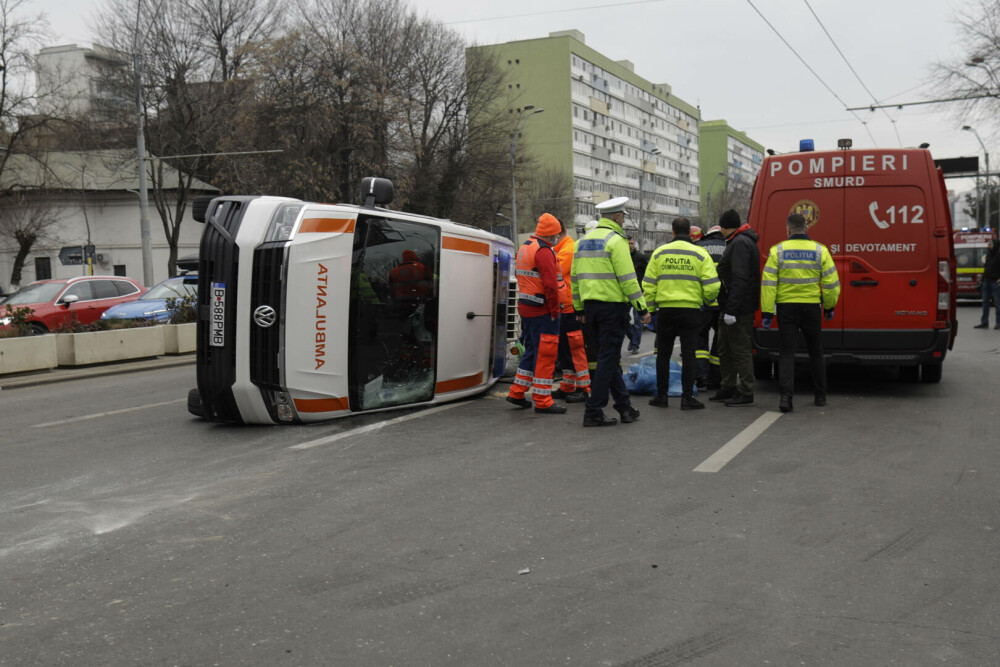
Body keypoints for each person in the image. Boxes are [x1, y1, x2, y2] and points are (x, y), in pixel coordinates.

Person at [571, 196, 651, 427]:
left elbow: (575, 280)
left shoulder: (582, 242)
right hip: (612, 309)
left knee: (609, 358)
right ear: (616, 217)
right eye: (623, 216)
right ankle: (593, 411)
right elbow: (628, 280)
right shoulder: (616, 241)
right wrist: (642, 307)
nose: (624, 220)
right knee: (608, 360)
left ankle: (624, 407)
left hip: (590, 309)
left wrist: (579, 308)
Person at [760, 213, 841, 412]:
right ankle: (820, 396)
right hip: (811, 307)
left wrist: (768, 312)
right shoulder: (820, 251)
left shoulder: (777, 251)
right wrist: (829, 306)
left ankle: (786, 399)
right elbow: (831, 283)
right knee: (816, 351)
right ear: (806, 228)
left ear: (787, 229)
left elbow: (768, 284)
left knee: (787, 353)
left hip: (786, 308)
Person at [642, 217, 720, 409]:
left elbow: (649, 285)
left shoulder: (659, 253)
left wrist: (650, 310)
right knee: (689, 354)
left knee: (663, 354)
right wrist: (707, 300)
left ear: (673, 232)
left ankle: (661, 397)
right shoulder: (700, 254)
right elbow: (712, 285)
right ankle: (687, 398)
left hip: (666, 311)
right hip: (691, 311)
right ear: (691, 234)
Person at [506, 213, 567, 414]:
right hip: (542, 310)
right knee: (546, 354)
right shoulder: (544, 251)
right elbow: (550, 284)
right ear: (552, 234)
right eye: (556, 234)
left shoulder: (526, 247)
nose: (557, 238)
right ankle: (543, 400)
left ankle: (517, 392)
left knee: (531, 351)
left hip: (527, 307)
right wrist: (553, 309)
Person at [710, 209, 760, 407]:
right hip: (732, 305)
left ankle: (746, 390)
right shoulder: (738, 241)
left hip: (738, 308)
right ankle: (728, 386)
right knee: (725, 348)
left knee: (739, 349)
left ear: (723, 227)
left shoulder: (739, 243)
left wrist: (732, 309)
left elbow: (740, 279)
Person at [552, 217, 590, 402]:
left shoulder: (568, 249)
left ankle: (584, 388)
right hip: (565, 308)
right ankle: (568, 386)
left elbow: (553, 271)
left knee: (575, 350)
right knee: (565, 351)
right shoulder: (561, 248)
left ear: (561, 233)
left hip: (570, 308)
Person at [695, 224, 727, 390]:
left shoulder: (698, 247)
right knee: (720, 342)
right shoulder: (729, 246)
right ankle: (717, 378)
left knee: (700, 339)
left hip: (703, 303)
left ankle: (701, 377)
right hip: (723, 304)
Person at [627, 237, 649, 354]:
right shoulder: (622, 257)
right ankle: (632, 338)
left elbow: (648, 274)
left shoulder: (641, 258)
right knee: (624, 320)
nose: (630, 245)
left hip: (638, 293)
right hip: (625, 294)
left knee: (637, 320)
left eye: (632, 243)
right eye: (628, 243)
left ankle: (635, 345)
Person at [974, 236, 1000, 329]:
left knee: (998, 304)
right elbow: (986, 267)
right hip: (986, 281)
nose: (988, 246)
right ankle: (984, 322)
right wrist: (983, 280)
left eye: (990, 244)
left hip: (995, 283)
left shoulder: (998, 254)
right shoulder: (988, 254)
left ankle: (998, 323)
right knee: (985, 302)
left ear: (995, 245)